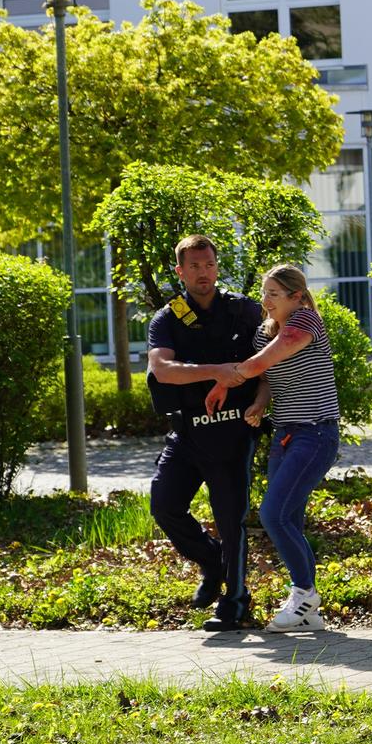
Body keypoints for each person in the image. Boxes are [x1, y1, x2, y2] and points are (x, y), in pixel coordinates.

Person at [205, 264, 342, 633]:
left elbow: (264, 361)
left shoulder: (306, 322)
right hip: (285, 435)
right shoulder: (265, 333)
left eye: (273, 294)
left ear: (297, 297)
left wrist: (223, 380)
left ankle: (304, 594)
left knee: (273, 515)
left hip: (316, 434)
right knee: (289, 518)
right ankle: (308, 613)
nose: (265, 301)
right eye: (264, 293)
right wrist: (261, 402)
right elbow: (267, 377)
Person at [145, 234, 264, 632]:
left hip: (232, 431)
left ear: (217, 266)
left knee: (231, 516)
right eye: (194, 266)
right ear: (180, 271)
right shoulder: (168, 317)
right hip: (187, 433)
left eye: (209, 264)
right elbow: (161, 369)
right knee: (164, 505)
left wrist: (247, 389)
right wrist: (216, 372)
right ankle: (212, 563)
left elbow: (270, 358)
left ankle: (235, 599)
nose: (203, 273)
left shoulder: (243, 310)